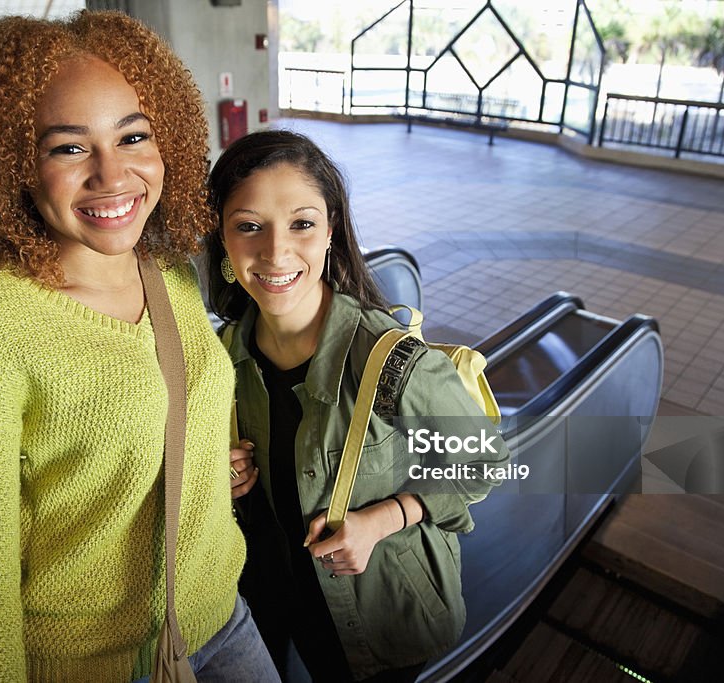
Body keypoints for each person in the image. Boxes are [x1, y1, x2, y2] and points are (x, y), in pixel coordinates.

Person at [0, 12, 278, 682]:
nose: (113, 175)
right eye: (68, 148)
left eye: (133, 136)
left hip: (223, 620)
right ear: (12, 165)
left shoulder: (167, 270)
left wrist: (204, 458)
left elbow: (156, 406)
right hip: (91, 666)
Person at [207, 130, 508, 683]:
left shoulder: (394, 363)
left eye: (301, 223)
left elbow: (486, 462)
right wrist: (222, 475)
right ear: (223, 240)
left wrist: (384, 518)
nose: (276, 252)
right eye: (249, 226)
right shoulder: (221, 357)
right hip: (273, 598)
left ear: (331, 232)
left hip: (377, 612)